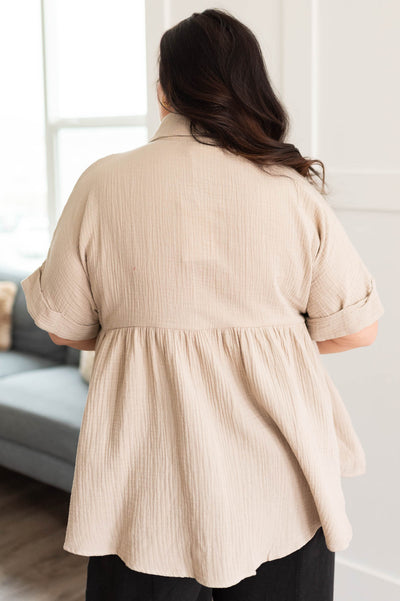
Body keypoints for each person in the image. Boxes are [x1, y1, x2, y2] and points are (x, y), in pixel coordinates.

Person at [21, 8, 384, 601]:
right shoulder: (288, 191)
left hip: (144, 481)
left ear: (164, 91)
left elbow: (61, 326)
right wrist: (264, 335)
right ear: (249, 86)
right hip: (280, 479)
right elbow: (355, 331)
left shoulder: (103, 183)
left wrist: (138, 333)